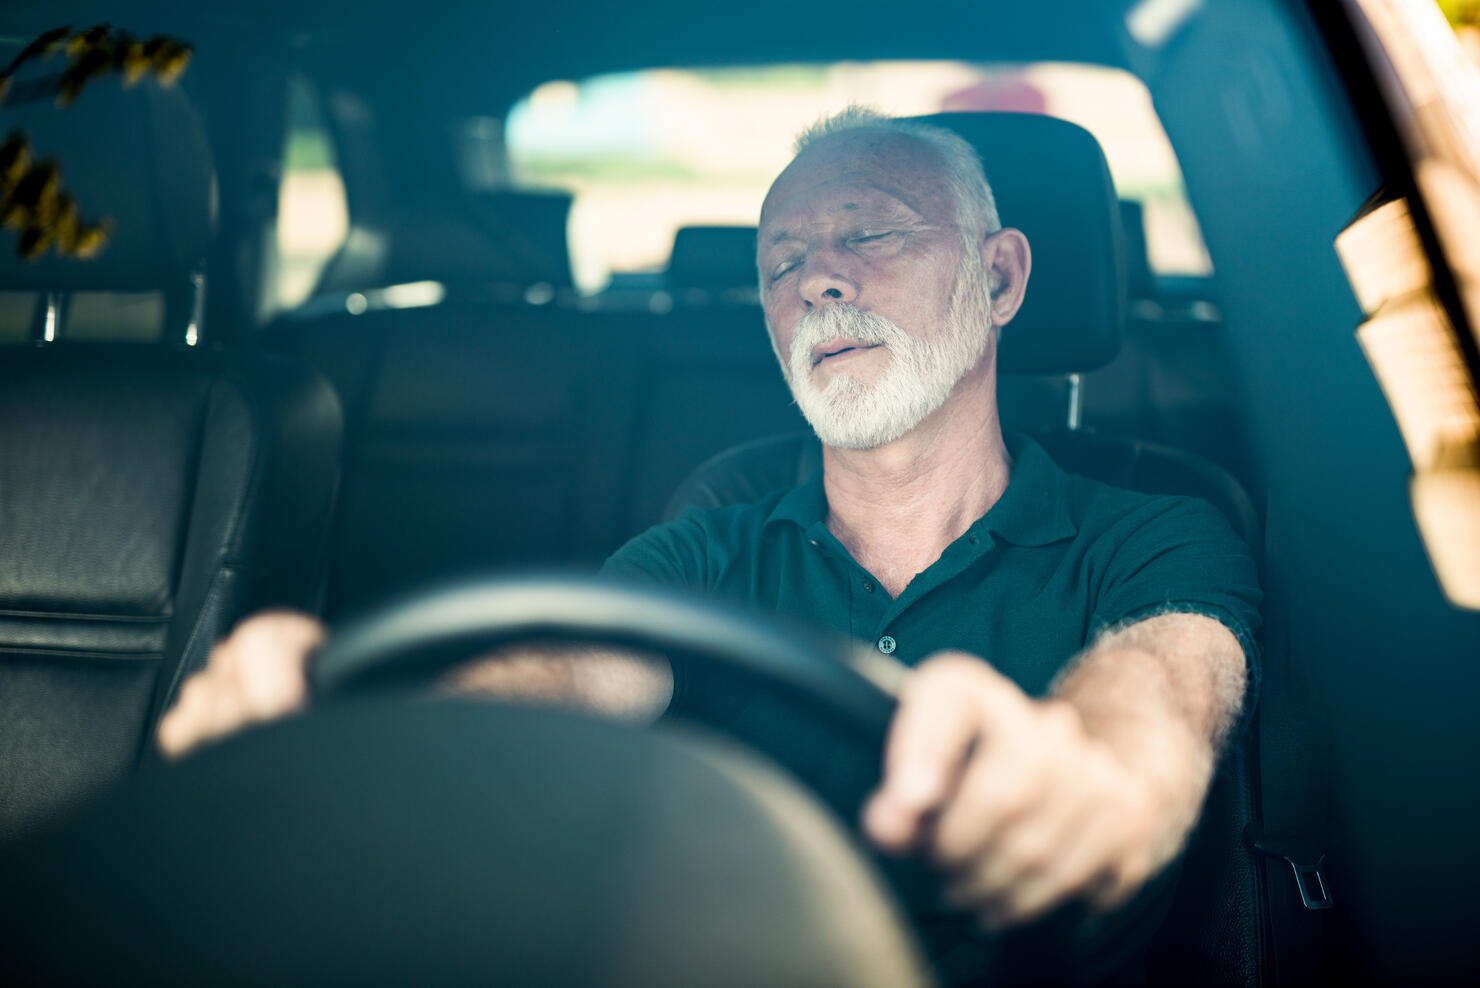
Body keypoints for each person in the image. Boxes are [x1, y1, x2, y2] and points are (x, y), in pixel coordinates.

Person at [157, 108, 1260, 984]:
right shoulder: (708, 549)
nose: (818, 278)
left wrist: (1094, 769)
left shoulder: (1154, 526)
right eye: (781, 262)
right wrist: (380, 737)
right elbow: (565, 670)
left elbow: (1165, 688)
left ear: (1002, 278)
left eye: (870, 232)